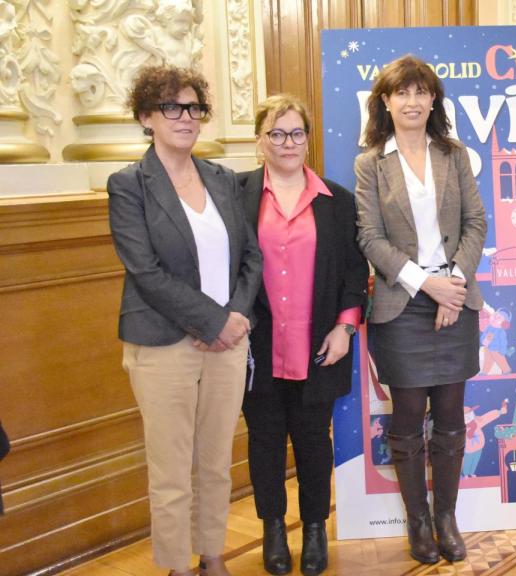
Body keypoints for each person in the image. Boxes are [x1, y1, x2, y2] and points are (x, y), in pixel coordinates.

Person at [107, 65, 262, 576]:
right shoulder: (129, 185)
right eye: (172, 107)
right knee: (172, 473)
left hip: (229, 342)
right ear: (147, 116)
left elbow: (250, 256)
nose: (186, 117)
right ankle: (176, 566)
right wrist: (213, 322)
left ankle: (213, 556)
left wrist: (235, 317)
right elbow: (146, 272)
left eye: (194, 108)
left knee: (216, 463)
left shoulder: (221, 177)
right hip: (163, 345)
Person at [354, 54, 487, 564]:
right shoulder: (370, 164)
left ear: (433, 99)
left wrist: (452, 282)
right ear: (385, 103)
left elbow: (476, 222)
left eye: (421, 92)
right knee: (408, 417)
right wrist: (427, 284)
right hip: (402, 304)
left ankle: (446, 518)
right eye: (401, 93)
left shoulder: (453, 155)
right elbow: (369, 236)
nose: (412, 101)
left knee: (450, 416)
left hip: (455, 299)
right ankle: (417, 523)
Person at [238, 94, 368, 576]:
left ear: (308, 139)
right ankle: (273, 529)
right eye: (276, 133)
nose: (287, 143)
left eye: (296, 133)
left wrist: (345, 326)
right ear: (260, 140)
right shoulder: (237, 194)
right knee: (265, 440)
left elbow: (355, 269)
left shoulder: (338, 200)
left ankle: (314, 529)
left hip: (319, 345)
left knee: (314, 440)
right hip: (256, 345)